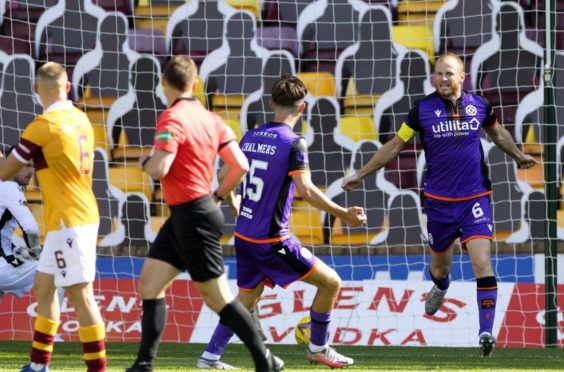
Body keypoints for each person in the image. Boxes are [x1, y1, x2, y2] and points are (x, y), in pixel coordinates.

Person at [341, 52, 538, 357]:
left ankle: (485, 331)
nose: (443, 79)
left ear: (462, 77)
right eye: (438, 74)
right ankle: (442, 285)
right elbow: (395, 145)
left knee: (482, 263)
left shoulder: (480, 106)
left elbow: (497, 133)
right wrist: (361, 173)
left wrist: (518, 155)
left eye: (449, 74)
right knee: (439, 266)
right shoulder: (421, 110)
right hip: (438, 204)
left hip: (475, 199)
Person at [196, 75, 367, 370]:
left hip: (244, 236)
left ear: (272, 103)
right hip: (272, 241)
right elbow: (306, 190)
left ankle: (210, 357)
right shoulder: (294, 143)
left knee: (247, 297)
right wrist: (344, 214)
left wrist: (232, 199)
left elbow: (225, 175)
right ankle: (318, 347)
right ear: (302, 109)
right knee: (331, 283)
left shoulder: (250, 136)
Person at [126, 56, 281, 372]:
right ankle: (143, 364)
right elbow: (240, 165)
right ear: (194, 84)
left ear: (163, 83)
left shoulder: (171, 119)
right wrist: (220, 195)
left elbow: (160, 168)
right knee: (149, 285)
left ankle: (264, 360)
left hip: (193, 215)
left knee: (218, 297)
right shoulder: (213, 120)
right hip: (190, 214)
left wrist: (145, 162)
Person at [0, 62, 106, 372]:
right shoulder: (82, 119)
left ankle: (97, 370)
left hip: (67, 221)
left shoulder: (43, 126)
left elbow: (7, 172)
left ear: (36, 91)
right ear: (68, 88)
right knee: (44, 289)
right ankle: (38, 366)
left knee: (81, 296)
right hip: (78, 215)